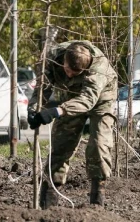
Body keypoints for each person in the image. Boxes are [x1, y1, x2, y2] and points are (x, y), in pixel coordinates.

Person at [27, 40, 118, 209]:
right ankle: (49, 200)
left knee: (99, 144)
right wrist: (34, 109)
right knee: (61, 143)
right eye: (67, 70)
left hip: (101, 98)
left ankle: (97, 201)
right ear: (64, 62)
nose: (69, 75)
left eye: (76, 73)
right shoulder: (53, 57)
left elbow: (88, 100)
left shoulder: (99, 68)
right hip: (69, 96)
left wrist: (56, 111)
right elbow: (43, 86)